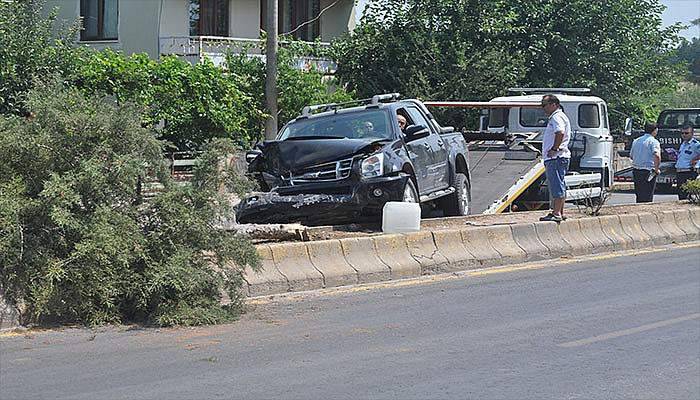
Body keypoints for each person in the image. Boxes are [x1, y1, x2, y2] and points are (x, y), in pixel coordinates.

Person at [539, 94, 571, 222]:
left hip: (556, 157)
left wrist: (554, 149)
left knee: (556, 184)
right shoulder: (559, 116)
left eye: (545, 105)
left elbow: (560, 132)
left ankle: (556, 212)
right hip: (558, 157)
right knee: (560, 183)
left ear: (554, 104)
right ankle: (560, 211)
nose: (543, 108)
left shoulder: (556, 117)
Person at [630, 122, 661, 203]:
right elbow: (657, 155)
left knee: (639, 195)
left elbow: (631, 156)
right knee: (648, 195)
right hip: (648, 171)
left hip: (636, 171)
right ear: (655, 130)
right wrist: (657, 169)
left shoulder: (636, 141)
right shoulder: (654, 142)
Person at [675, 122, 700, 200]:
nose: (684, 135)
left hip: (688, 172)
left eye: (686, 133)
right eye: (682, 133)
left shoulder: (695, 144)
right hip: (679, 172)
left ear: (692, 133)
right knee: (681, 196)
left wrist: (696, 159)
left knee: (686, 196)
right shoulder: (683, 144)